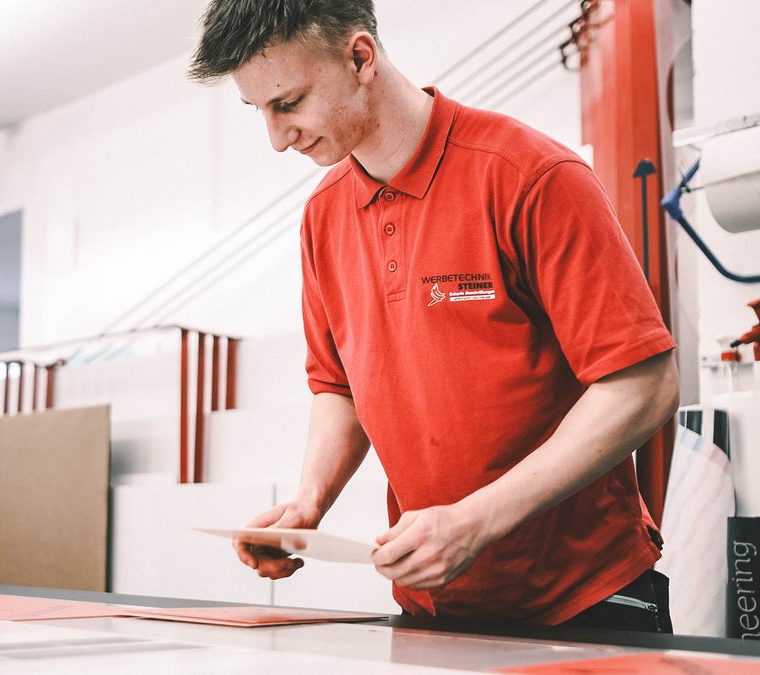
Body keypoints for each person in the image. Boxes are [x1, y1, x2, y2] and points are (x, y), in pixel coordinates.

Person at [188, 0, 679, 630]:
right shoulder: (323, 217)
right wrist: (308, 506)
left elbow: (643, 384)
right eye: (258, 111)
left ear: (360, 57)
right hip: (435, 605)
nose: (277, 138)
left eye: (289, 103)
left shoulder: (529, 175)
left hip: (586, 599)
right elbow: (338, 387)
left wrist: (475, 520)